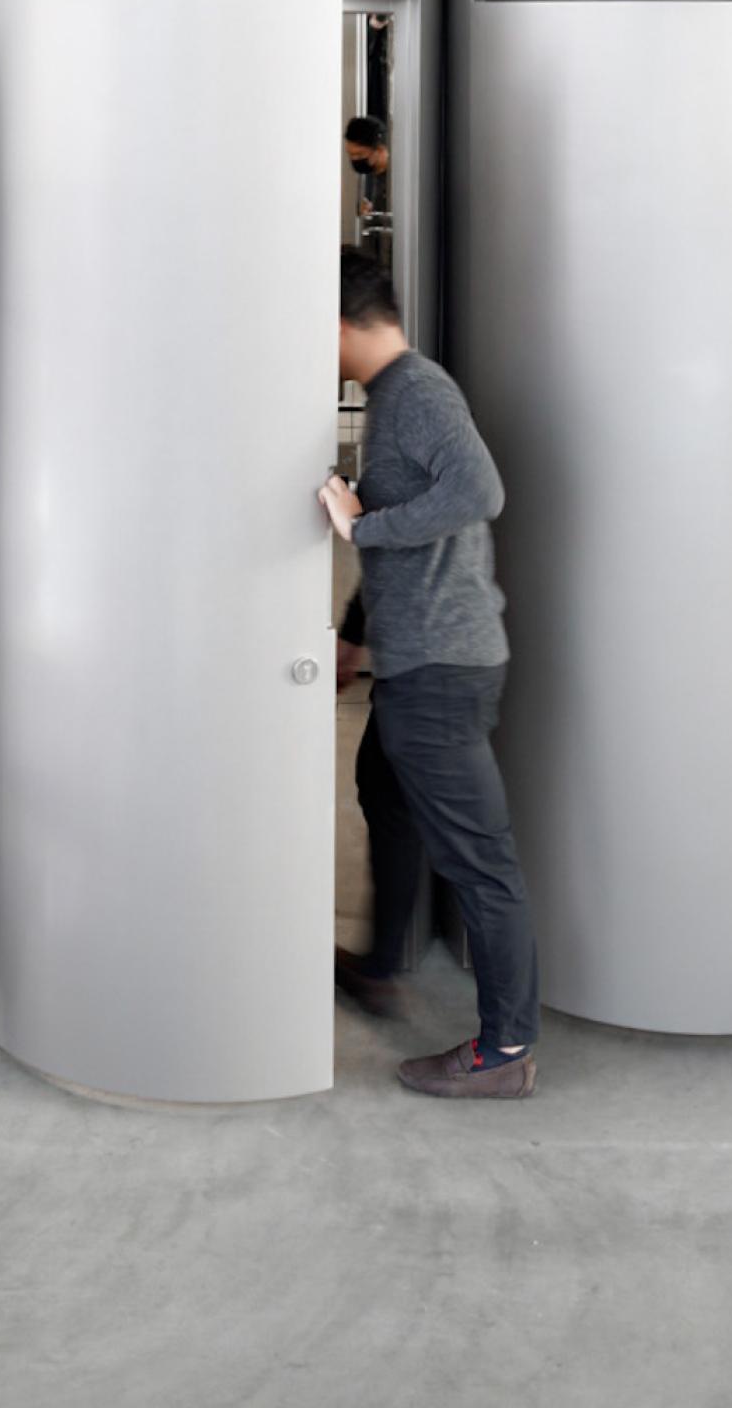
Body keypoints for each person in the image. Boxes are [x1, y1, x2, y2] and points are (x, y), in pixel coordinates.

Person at [319, 251, 541, 1101]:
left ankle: (506, 1051)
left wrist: (358, 532)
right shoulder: (396, 396)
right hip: (418, 660)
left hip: (444, 669)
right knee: (384, 792)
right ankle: (381, 964)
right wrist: (354, 635)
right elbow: (409, 524)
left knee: (482, 865)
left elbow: (478, 491)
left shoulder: (418, 392)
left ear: (341, 326)